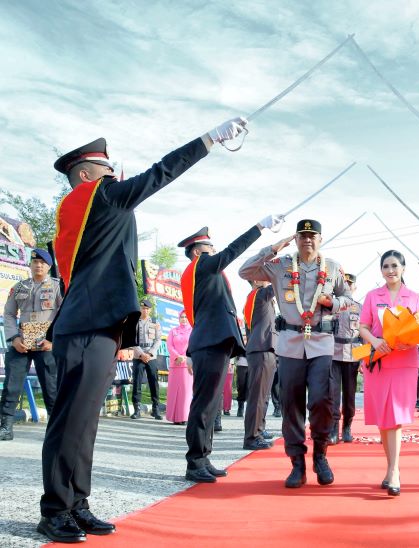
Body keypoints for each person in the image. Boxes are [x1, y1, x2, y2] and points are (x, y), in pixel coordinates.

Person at [39, 117, 246, 543]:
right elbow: (161, 172)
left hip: (96, 325)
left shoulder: (96, 205)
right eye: (105, 170)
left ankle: (77, 503)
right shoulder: (98, 199)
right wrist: (208, 139)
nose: (114, 175)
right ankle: (55, 510)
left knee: (86, 424)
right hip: (84, 326)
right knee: (70, 422)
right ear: (84, 176)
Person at [239, 219, 349, 488]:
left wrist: (333, 302)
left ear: (320, 239)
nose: (307, 240)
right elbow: (245, 271)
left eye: (312, 236)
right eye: (302, 236)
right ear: (296, 239)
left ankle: (320, 454)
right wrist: (273, 248)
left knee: (323, 401)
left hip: (322, 342)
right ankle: (297, 463)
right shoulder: (280, 266)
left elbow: (349, 300)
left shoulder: (333, 268)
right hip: (289, 342)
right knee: (291, 403)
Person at [179, 219, 281, 483]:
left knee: (211, 405)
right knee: (203, 404)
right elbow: (232, 251)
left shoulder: (203, 272)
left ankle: (204, 457)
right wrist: (259, 227)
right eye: (209, 248)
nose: (215, 252)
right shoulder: (200, 266)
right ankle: (195, 461)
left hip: (215, 341)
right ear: (197, 251)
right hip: (210, 342)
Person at [358, 250, 419, 496]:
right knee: (384, 420)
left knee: (395, 417)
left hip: (404, 362)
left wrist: (412, 339)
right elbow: (362, 326)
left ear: (403, 268)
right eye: (385, 266)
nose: (390, 270)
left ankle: (394, 470)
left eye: (394, 265)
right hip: (378, 360)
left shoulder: (414, 297)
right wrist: (375, 342)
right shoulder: (372, 296)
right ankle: (390, 468)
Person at [1, 248, 61, 441]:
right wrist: (14, 338)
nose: (38, 265)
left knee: (51, 386)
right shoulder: (19, 287)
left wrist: (53, 339)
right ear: (30, 264)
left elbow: (65, 314)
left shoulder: (58, 287)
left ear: (49, 266)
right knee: (11, 384)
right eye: (35, 262)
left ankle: (56, 429)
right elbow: (9, 313)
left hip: (46, 344)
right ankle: (6, 426)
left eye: (42, 263)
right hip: (22, 343)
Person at [242, 279, 278, 450]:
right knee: (258, 397)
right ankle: (251, 437)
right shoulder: (260, 294)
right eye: (265, 276)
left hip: (265, 348)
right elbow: (279, 281)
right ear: (256, 280)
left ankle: (258, 430)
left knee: (263, 396)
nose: (269, 278)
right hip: (261, 348)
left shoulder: (257, 296)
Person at [329, 273, 362, 444]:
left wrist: (363, 359)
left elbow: (364, 334)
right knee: (333, 394)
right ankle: (333, 428)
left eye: (350, 284)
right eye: (345, 284)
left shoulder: (360, 307)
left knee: (349, 395)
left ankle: (347, 427)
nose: (348, 287)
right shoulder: (330, 306)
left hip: (353, 353)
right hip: (333, 352)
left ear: (355, 287)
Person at [127, 299, 162, 420]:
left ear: (150, 310)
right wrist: (142, 354)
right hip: (138, 355)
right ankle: (137, 409)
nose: (144, 310)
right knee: (136, 382)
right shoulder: (134, 321)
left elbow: (158, 340)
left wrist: (150, 353)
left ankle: (155, 409)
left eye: (147, 308)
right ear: (140, 309)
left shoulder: (155, 322)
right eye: (143, 308)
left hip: (151, 356)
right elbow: (131, 340)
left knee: (153, 381)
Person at [165, 310, 193, 425]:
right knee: (173, 392)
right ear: (179, 318)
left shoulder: (192, 331)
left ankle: (184, 417)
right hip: (175, 365)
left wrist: (185, 357)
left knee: (186, 392)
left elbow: (193, 345)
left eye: (186, 317)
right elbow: (169, 345)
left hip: (187, 366)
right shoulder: (173, 331)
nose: (184, 319)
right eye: (182, 317)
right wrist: (177, 356)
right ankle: (174, 418)